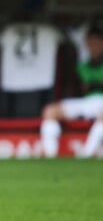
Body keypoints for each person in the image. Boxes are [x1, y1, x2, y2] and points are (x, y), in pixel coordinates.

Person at [40, 21, 103, 159]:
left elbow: (90, 85)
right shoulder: (83, 66)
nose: (93, 46)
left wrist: (93, 84)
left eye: (97, 42)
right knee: (50, 111)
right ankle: (51, 157)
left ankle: (87, 155)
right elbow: (82, 87)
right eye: (90, 42)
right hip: (87, 102)